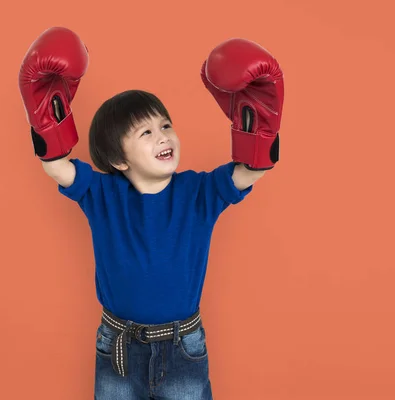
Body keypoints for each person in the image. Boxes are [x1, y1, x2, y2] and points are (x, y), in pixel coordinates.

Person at [19, 27, 284, 400]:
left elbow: (250, 171)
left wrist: (261, 127)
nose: (163, 137)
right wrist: (46, 116)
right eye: (145, 133)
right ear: (117, 159)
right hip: (119, 345)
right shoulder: (102, 193)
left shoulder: (200, 192)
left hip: (182, 346)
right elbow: (58, 167)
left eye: (165, 126)